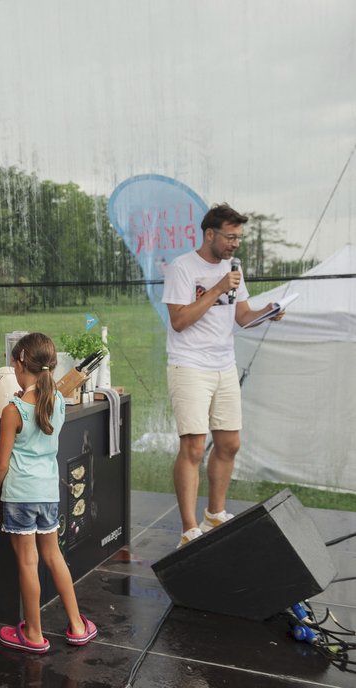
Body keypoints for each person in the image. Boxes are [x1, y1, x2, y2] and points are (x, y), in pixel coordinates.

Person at [162, 203, 285, 549]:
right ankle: (189, 528)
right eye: (230, 237)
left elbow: (242, 316)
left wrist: (268, 313)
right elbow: (179, 321)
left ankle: (214, 513)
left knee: (230, 443)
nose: (235, 244)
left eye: (239, 238)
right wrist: (216, 288)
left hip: (223, 364)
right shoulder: (182, 268)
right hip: (189, 365)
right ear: (210, 234)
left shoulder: (234, 269)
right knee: (194, 446)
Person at [0, 332, 97, 654]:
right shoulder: (58, 401)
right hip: (48, 492)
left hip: (20, 494)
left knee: (27, 561)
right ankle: (77, 624)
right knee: (53, 556)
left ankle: (33, 633)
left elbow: (0, 462)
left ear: (20, 362)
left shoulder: (13, 410)